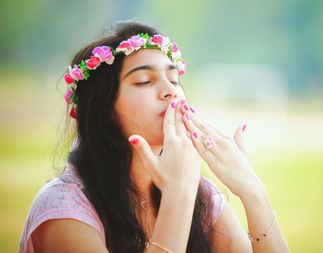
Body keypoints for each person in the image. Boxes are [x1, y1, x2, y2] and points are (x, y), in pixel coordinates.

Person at [19, 19, 291, 253]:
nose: (170, 91)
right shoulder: (64, 206)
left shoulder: (201, 196)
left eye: (174, 80)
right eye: (144, 81)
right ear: (103, 109)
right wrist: (178, 194)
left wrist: (253, 193)